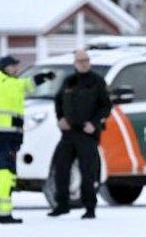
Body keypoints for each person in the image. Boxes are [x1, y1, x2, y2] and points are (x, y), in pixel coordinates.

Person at [0, 56, 54, 224]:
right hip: (6, 133)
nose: (16, 69)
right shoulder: (11, 84)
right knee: (7, 173)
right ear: (5, 68)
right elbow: (28, 84)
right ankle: (3, 213)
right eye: (13, 66)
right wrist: (44, 77)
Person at [48, 48, 112, 219]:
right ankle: (62, 205)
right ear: (75, 63)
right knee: (61, 168)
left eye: (86, 60)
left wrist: (94, 123)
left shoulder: (97, 81)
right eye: (80, 61)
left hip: (87, 134)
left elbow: (106, 107)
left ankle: (90, 208)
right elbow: (58, 101)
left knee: (87, 172)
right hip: (68, 133)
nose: (83, 63)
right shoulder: (69, 81)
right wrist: (60, 118)